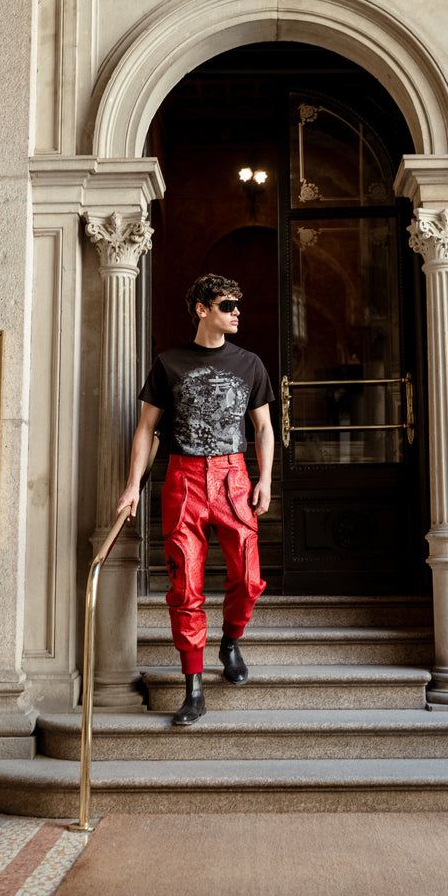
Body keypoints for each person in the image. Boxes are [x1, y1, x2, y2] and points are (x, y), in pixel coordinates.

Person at [117, 273, 275, 725]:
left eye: (238, 305)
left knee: (248, 578)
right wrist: (132, 486)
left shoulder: (250, 364)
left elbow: (263, 428)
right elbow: (146, 429)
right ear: (202, 309)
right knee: (185, 588)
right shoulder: (169, 363)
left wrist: (265, 479)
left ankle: (229, 641)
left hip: (234, 479)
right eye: (228, 305)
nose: (237, 312)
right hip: (183, 479)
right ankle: (194, 686)